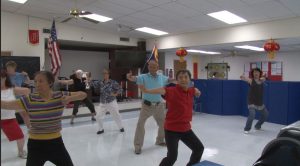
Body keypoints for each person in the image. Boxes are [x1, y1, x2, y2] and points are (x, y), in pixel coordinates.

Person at [1, 71, 87, 166]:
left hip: (56, 144)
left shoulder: (59, 96)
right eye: (36, 81)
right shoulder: (29, 99)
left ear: (50, 82)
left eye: (41, 81)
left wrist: (69, 99)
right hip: (35, 146)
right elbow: (6, 105)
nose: (37, 84)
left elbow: (83, 94)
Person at [140, 70, 204, 166]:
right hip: (172, 130)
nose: (183, 79)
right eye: (180, 78)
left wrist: (197, 92)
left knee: (199, 148)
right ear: (177, 80)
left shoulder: (191, 90)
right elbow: (161, 90)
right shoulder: (172, 91)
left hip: (185, 129)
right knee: (172, 157)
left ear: (189, 79)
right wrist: (146, 91)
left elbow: (196, 91)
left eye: (186, 77)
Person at [127, 60, 173, 154]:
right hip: (146, 106)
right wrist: (130, 77)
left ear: (157, 67)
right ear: (148, 67)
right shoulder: (143, 77)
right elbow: (134, 78)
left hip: (159, 105)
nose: (152, 68)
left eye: (154, 66)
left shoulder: (161, 77)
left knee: (163, 124)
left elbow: (169, 80)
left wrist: (176, 79)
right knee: (140, 124)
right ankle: (138, 146)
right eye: (150, 66)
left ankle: (160, 140)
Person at [1, 69, 30, 159]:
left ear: (4, 78)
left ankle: (21, 152)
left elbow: (27, 91)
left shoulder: (12, 89)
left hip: (9, 119)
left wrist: (23, 104)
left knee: (20, 137)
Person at [96, 69, 124, 134]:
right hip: (102, 102)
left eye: (106, 73)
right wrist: (88, 80)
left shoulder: (113, 82)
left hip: (111, 102)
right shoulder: (100, 82)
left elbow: (120, 89)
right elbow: (92, 83)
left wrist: (115, 94)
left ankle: (121, 127)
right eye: (103, 73)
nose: (104, 75)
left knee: (116, 115)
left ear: (108, 74)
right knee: (98, 116)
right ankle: (101, 129)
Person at [240, 68, 269, 134]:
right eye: (254, 72)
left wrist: (265, 77)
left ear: (259, 73)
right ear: (253, 73)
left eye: (257, 72)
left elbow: (265, 78)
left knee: (265, 114)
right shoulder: (251, 81)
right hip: (251, 101)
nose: (256, 73)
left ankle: (257, 126)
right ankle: (247, 129)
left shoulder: (262, 80)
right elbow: (244, 78)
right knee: (252, 115)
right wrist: (242, 77)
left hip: (259, 102)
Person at [5, 60, 31, 128]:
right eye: (7, 69)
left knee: (25, 114)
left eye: (10, 69)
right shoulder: (4, 76)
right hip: (8, 99)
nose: (8, 70)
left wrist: (26, 75)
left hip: (18, 99)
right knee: (6, 117)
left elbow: (28, 82)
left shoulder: (19, 75)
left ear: (14, 68)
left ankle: (30, 128)